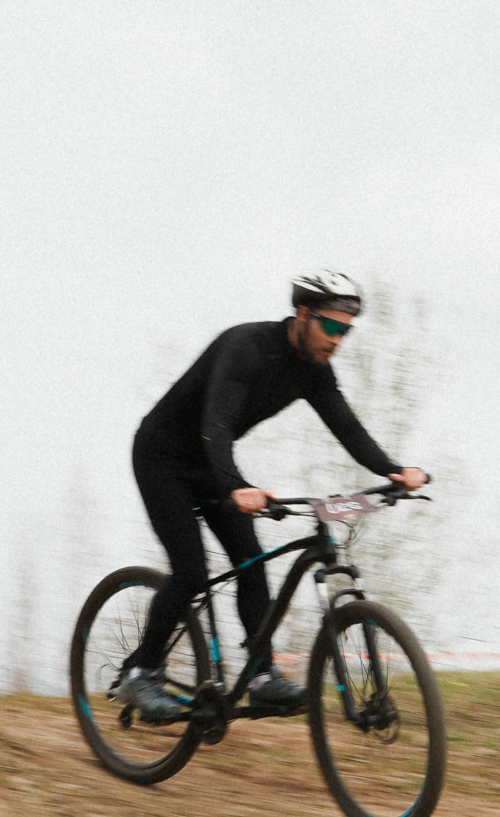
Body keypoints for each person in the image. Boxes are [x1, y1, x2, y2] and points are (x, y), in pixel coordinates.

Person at [120, 270, 428, 724]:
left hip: (211, 466)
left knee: (252, 562)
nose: (338, 339)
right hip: (161, 458)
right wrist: (234, 485)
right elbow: (217, 423)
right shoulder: (245, 347)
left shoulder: (315, 372)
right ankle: (142, 671)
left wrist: (394, 471)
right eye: (332, 326)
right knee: (190, 569)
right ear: (303, 314)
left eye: (347, 330)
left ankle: (262, 677)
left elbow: (348, 429)